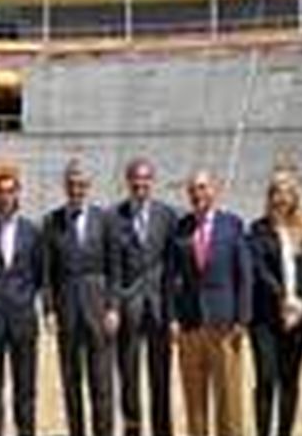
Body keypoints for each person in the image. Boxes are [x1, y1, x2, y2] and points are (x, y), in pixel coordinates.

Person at [167, 170, 252, 436]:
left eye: (202, 188)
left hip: (224, 323)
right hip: (190, 324)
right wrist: (172, 318)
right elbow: (170, 278)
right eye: (192, 189)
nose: (197, 194)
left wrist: (242, 318)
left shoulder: (232, 224)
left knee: (228, 397)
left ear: (214, 190)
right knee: (195, 400)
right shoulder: (181, 228)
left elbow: (244, 274)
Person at [42, 159, 117, 436]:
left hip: (98, 307)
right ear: (65, 186)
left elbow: (114, 267)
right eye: (72, 184)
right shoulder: (52, 221)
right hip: (67, 310)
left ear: (89, 187)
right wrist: (49, 310)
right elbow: (47, 273)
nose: (77, 189)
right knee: (71, 381)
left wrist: (113, 306)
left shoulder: (105, 219)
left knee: (102, 382)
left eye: (81, 184)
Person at [0, 169, 44, 436]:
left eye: (11, 191)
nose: (5, 196)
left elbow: (38, 274)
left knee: (25, 387)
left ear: (17, 195)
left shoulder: (32, 231)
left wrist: (21, 297)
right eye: (1, 191)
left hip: (23, 318)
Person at [109, 158, 178, 436]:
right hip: (129, 306)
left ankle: (163, 430)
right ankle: (132, 429)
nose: (141, 184)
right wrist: (114, 305)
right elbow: (113, 267)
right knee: (128, 374)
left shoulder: (166, 215)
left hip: (159, 306)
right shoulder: (115, 217)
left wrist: (173, 315)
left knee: (160, 375)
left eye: (146, 179)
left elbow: (172, 269)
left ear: (153, 181)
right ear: (128, 181)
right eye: (136, 179)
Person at [248, 167, 302, 436]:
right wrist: (284, 298)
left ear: (295, 197)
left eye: (288, 192)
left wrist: (301, 303)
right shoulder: (258, 228)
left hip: (300, 316)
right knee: (266, 378)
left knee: (290, 380)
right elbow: (259, 269)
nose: (282, 197)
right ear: (270, 196)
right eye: (277, 191)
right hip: (265, 316)